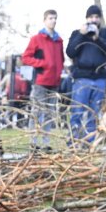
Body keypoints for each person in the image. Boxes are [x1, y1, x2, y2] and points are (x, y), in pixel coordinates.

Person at [66, 4, 106, 145]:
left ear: (100, 19)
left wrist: (98, 39)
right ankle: (73, 142)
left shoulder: (105, 33)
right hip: (82, 78)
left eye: (96, 17)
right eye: (91, 17)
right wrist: (82, 35)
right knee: (77, 111)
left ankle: (91, 142)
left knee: (94, 115)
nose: (94, 20)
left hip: (99, 77)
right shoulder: (77, 33)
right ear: (86, 18)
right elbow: (70, 52)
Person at [21, 9, 65, 153]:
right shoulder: (37, 39)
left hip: (54, 82)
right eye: (50, 18)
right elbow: (26, 57)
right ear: (45, 20)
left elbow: (61, 59)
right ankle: (33, 142)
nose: (53, 21)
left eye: (55, 18)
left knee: (49, 113)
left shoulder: (59, 41)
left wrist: (59, 72)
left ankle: (46, 143)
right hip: (40, 81)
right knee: (36, 111)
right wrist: (42, 64)